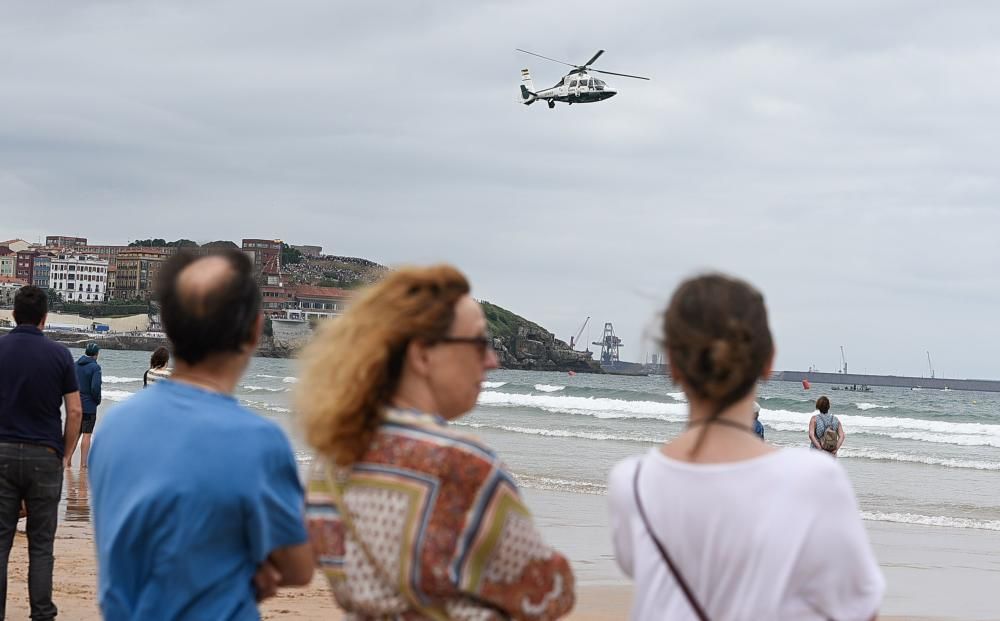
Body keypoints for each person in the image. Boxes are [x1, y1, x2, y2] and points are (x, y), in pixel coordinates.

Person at [297, 264, 575, 619]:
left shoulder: (332, 457)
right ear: (422, 354)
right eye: (478, 343)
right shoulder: (459, 464)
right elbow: (547, 593)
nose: (493, 361)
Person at [608, 274, 883, 620]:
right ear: (768, 362)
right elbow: (860, 610)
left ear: (673, 366)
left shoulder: (630, 483)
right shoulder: (816, 482)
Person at [88, 250, 313, 620]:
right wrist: (249, 569)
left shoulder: (115, 426)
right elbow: (298, 567)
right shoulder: (258, 442)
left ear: (169, 326)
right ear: (255, 329)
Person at [0, 285, 82, 620]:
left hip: (1, 452)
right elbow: (75, 411)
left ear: (14, 314)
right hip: (45, 455)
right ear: (44, 319)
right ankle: (42, 614)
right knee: (41, 545)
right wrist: (63, 455)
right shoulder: (60, 355)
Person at [68, 342, 102, 469]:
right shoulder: (95, 368)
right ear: (96, 354)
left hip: (75, 404)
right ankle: (83, 464)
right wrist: (97, 400)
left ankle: (68, 461)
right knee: (86, 434)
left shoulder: (75, 365)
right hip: (89, 406)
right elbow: (95, 387)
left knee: (75, 434)